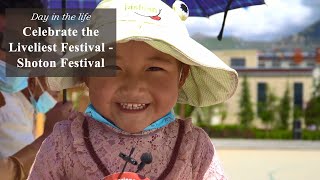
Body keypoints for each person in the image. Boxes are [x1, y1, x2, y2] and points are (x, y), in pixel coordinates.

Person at [29, 0, 238, 179]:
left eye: (154, 68)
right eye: (113, 67)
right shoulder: (64, 144)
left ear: (181, 76)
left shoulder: (194, 149)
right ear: (86, 74)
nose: (134, 85)